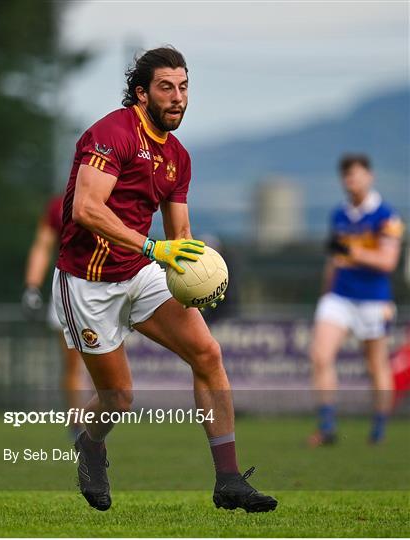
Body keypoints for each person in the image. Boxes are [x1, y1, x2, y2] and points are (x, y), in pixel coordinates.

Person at [52, 46, 277, 513]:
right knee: (118, 398)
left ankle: (229, 481)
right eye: (166, 87)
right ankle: (90, 446)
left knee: (207, 353)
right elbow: (86, 210)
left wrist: (196, 279)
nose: (178, 97)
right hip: (87, 283)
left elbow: (182, 238)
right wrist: (154, 248)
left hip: (139, 272)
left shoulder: (177, 156)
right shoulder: (111, 133)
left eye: (184, 87)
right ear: (141, 93)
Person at [309, 154, 404, 446]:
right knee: (320, 355)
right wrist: (326, 291)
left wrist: (353, 252)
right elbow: (334, 259)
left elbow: (388, 262)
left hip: (374, 299)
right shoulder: (339, 214)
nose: (352, 181)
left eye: (357, 175)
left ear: (369, 177)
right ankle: (327, 427)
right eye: (347, 176)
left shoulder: (386, 215)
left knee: (376, 364)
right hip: (340, 295)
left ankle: (378, 428)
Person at [22, 195, 86, 437]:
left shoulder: (116, 199)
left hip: (109, 287)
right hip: (68, 288)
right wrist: (32, 285)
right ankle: (77, 424)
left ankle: (103, 419)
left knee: (110, 367)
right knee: (72, 364)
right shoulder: (58, 206)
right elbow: (43, 245)